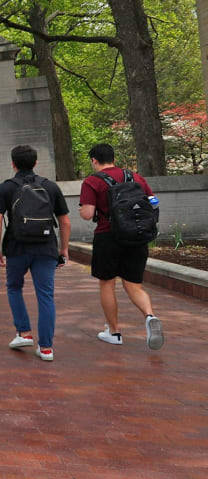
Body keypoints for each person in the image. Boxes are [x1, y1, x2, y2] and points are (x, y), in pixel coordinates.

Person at [79, 143, 163, 350]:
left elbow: (88, 214)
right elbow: (153, 201)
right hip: (137, 236)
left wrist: (84, 210)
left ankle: (114, 332)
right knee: (134, 285)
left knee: (107, 283)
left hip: (108, 237)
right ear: (113, 158)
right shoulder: (135, 177)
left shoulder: (92, 182)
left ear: (94, 161)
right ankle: (150, 315)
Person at [0, 145, 70, 362]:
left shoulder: (5, 188)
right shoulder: (50, 187)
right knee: (45, 295)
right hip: (46, 247)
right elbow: (64, 220)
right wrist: (63, 248)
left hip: (16, 247)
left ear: (13, 164)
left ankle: (24, 333)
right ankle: (46, 349)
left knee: (14, 287)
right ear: (35, 163)